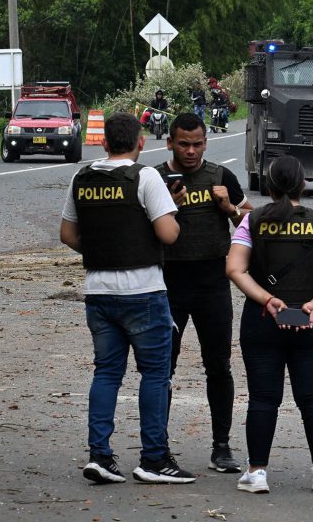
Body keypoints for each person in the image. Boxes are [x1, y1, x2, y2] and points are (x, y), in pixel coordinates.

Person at [59, 112, 196, 485]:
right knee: (154, 374)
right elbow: (168, 234)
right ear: (140, 143)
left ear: (102, 143)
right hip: (143, 292)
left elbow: (68, 235)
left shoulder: (81, 177)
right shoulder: (145, 176)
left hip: (98, 292)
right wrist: (172, 206)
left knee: (106, 373)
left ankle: (100, 455)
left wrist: (105, 249)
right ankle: (154, 459)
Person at [225, 156, 313, 495]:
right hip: (310, 322)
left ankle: (257, 472)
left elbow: (235, 269)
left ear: (268, 186)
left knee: (263, 399)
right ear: (303, 185)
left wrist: (266, 299)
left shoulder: (251, 222)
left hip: (263, 322)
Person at [156, 112, 253, 473]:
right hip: (168, 285)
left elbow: (249, 225)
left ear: (205, 143)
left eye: (197, 143)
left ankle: (222, 446)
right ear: (170, 142)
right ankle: (158, 446)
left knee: (219, 366)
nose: (191, 150)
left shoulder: (221, 177)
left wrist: (229, 207)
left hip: (213, 283)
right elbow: (140, 228)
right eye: (184, 143)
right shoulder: (155, 178)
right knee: (162, 367)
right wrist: (169, 205)